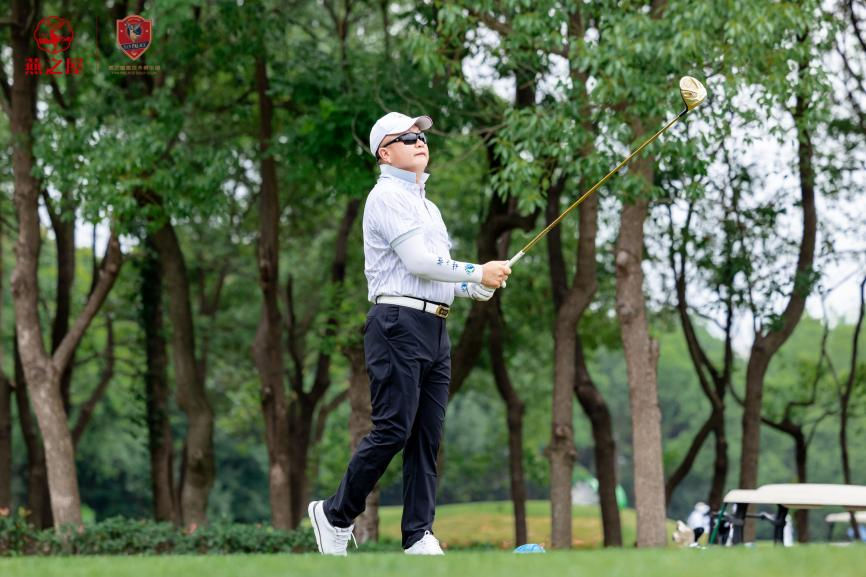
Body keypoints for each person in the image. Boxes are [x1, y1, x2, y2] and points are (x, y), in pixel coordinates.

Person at [307, 112, 511, 556]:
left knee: (426, 437)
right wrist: (476, 270)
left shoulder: (428, 207)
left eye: (422, 137)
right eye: (408, 137)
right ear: (385, 152)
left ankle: (418, 534)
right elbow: (418, 262)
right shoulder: (385, 197)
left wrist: (474, 285)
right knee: (394, 429)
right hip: (397, 323)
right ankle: (334, 514)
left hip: (435, 325)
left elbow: (436, 273)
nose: (420, 142)